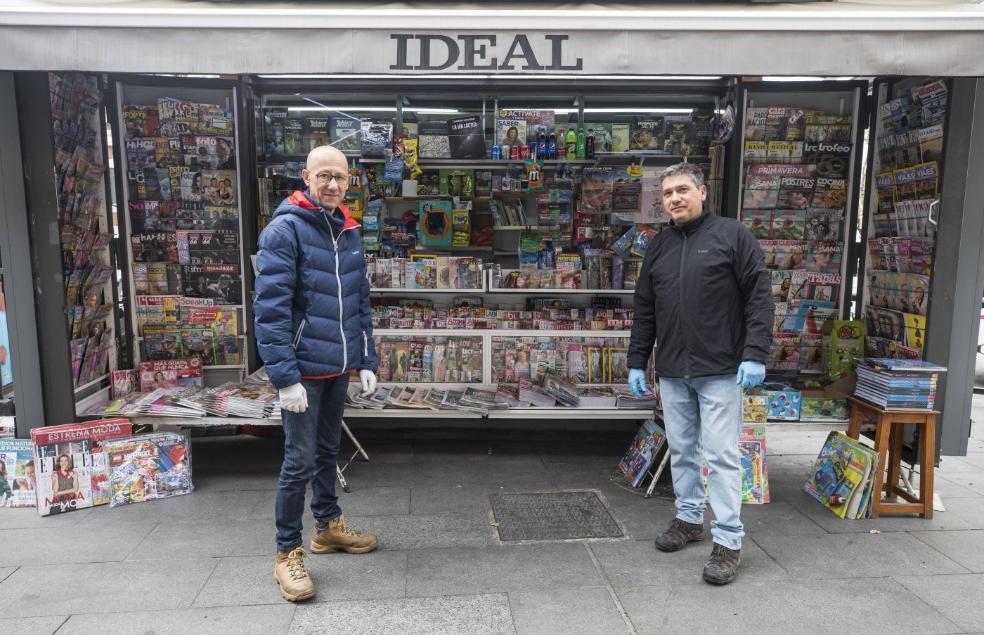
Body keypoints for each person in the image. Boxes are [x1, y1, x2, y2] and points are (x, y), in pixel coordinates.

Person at [627, 162, 773, 586]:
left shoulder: (733, 236)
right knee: (683, 449)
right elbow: (645, 308)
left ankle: (728, 541)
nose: (674, 198)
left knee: (723, 456)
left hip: (722, 369)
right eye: (668, 192)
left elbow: (759, 298)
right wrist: (638, 361)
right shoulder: (658, 246)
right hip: (673, 370)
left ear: (702, 192)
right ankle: (689, 520)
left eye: (682, 190)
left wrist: (755, 354)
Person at [254, 145, 380, 603]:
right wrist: (284, 377)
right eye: (323, 175)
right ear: (305, 176)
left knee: (328, 450)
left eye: (340, 178)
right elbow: (269, 312)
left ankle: (327, 527)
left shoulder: (346, 229)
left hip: (338, 366)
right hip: (303, 369)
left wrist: (366, 359)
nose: (332, 184)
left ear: (349, 182)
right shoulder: (284, 231)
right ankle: (287, 552)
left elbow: (359, 303)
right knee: (299, 460)